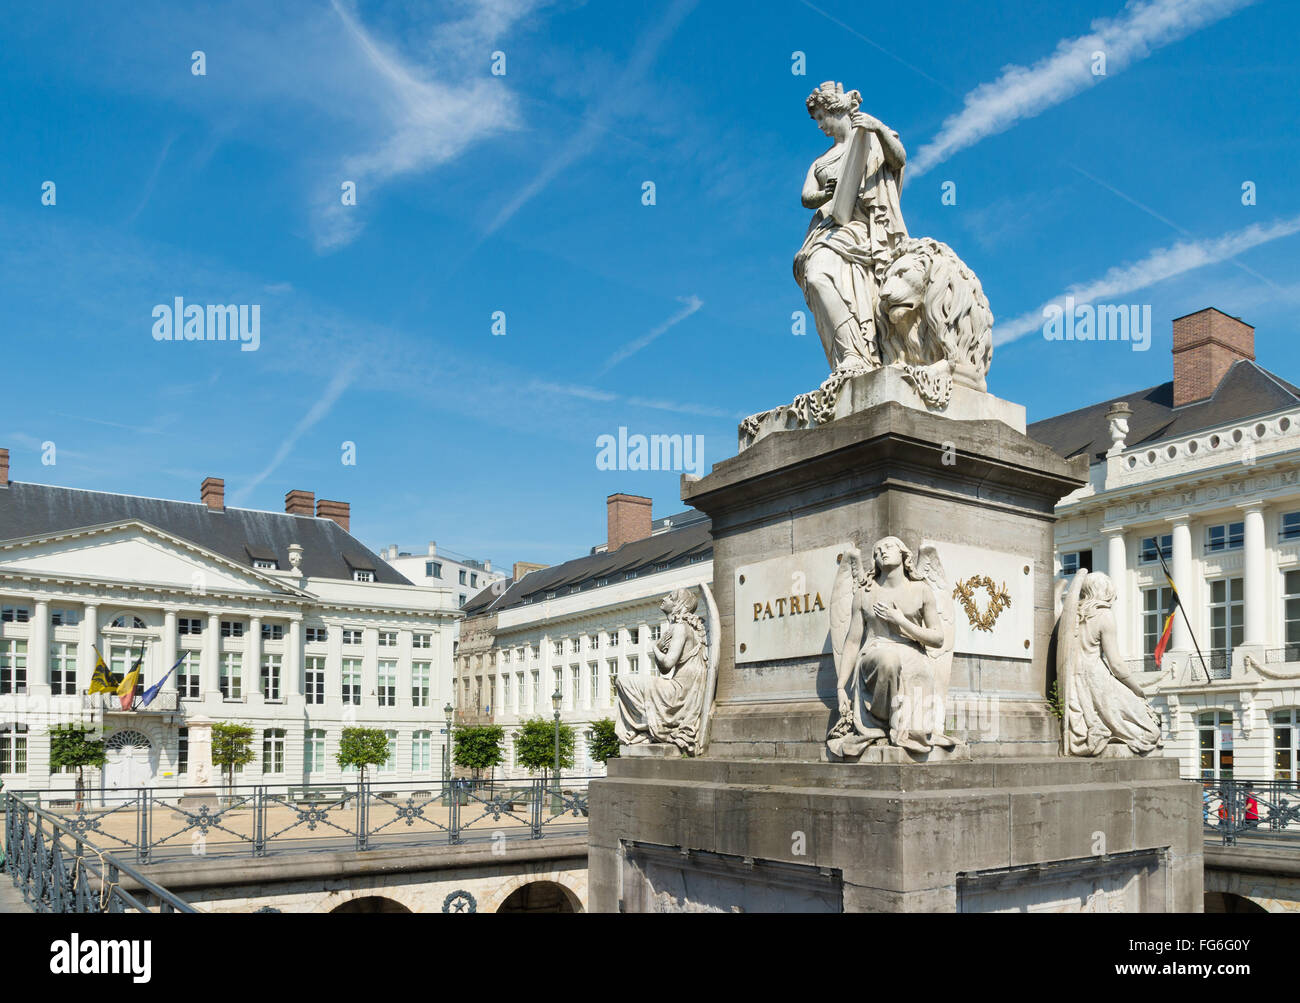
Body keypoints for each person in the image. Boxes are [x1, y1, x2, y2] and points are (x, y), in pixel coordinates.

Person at [793, 81, 908, 375]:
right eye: (815, 119)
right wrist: (825, 194)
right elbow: (807, 196)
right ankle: (848, 355)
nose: (819, 125)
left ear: (836, 110)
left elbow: (898, 159)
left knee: (865, 297)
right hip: (830, 230)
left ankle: (864, 356)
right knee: (816, 276)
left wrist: (878, 128)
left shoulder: (869, 138)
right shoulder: (821, 161)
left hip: (866, 229)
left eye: (821, 117)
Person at [829, 537, 954, 756]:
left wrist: (901, 621)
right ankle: (878, 722)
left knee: (919, 676)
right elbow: (851, 642)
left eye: (888, 547)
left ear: (903, 554)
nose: (882, 552)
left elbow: (938, 639)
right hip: (875, 651)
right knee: (888, 659)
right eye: (877, 551)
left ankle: (907, 729)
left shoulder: (921, 590)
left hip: (913, 653)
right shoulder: (864, 593)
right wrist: (841, 687)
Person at [1061, 572, 1163, 756]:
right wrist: (1136, 689)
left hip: (1075, 681)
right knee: (1151, 731)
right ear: (1105, 591)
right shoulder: (1104, 614)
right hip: (1097, 679)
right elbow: (1116, 664)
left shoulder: (1071, 615)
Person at [614, 589, 710, 754]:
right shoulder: (693, 629)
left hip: (678, 693)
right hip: (687, 692)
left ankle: (645, 728)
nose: (664, 598)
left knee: (622, 681)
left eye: (670, 597)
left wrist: (655, 648)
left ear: (678, 604)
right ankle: (647, 727)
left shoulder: (680, 627)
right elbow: (666, 669)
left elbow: (667, 664)